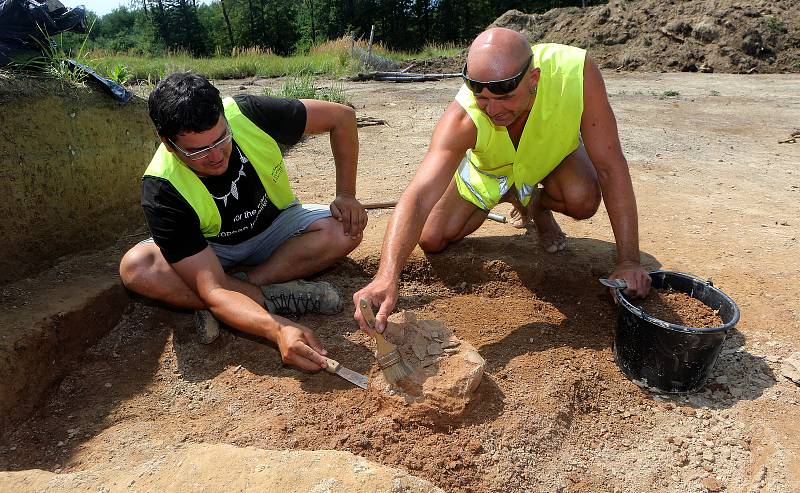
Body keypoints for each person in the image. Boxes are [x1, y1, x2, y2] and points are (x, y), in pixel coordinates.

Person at [354, 28, 651, 333]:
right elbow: (418, 195)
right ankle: (508, 192)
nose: (493, 110)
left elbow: (611, 166)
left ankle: (535, 202)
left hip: (549, 158)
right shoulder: (463, 118)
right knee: (431, 238)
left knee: (583, 198)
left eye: (506, 96)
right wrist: (386, 275)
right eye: (481, 97)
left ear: (533, 80)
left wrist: (628, 259)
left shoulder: (576, 73)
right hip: (490, 171)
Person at [120, 72, 367, 371]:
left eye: (221, 137)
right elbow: (213, 288)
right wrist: (276, 329)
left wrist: (347, 195)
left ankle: (244, 294)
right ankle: (272, 298)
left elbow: (341, 116)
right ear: (168, 144)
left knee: (346, 230)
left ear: (224, 116)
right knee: (137, 268)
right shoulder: (162, 189)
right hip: (211, 250)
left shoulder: (248, 113)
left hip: (277, 226)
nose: (215, 156)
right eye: (197, 150)